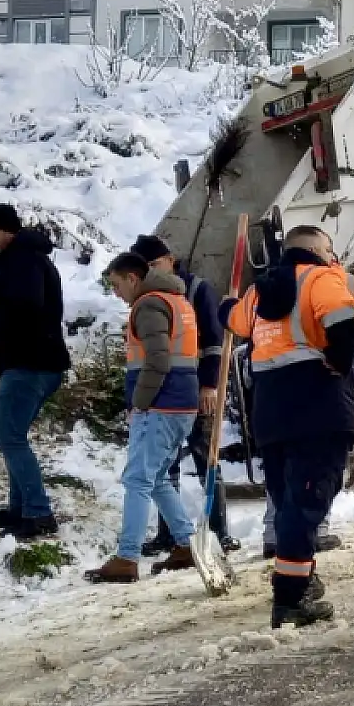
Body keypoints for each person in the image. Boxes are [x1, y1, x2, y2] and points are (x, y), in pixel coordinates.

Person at [222, 226, 354, 627]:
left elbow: (234, 321)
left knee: (290, 504)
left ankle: (300, 580)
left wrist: (225, 306)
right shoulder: (323, 280)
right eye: (329, 249)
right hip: (318, 408)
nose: (333, 256)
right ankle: (290, 599)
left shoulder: (257, 293)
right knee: (307, 503)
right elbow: (344, 327)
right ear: (317, 250)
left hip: (270, 415)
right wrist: (341, 365)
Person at [83, 254, 205, 584]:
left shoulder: (149, 304)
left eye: (117, 284)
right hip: (182, 402)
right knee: (158, 477)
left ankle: (127, 558)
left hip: (160, 405)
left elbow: (158, 359)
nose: (116, 292)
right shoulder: (178, 301)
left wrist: (139, 402)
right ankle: (186, 544)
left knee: (138, 479)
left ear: (133, 278)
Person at [127, 234, 241, 556]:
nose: (151, 271)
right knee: (166, 466)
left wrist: (210, 385)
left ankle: (218, 531)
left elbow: (214, 342)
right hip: (163, 394)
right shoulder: (147, 297)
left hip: (196, 388)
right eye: (145, 266)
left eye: (154, 264)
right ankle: (171, 535)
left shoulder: (195, 290)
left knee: (206, 458)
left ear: (170, 260)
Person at [0, 204, 71, 541]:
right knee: (13, 436)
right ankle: (21, 509)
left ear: (8, 230)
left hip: (30, 363)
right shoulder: (25, 258)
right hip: (35, 362)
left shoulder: (22, 260)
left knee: (9, 437)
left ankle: (38, 512)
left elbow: (20, 308)